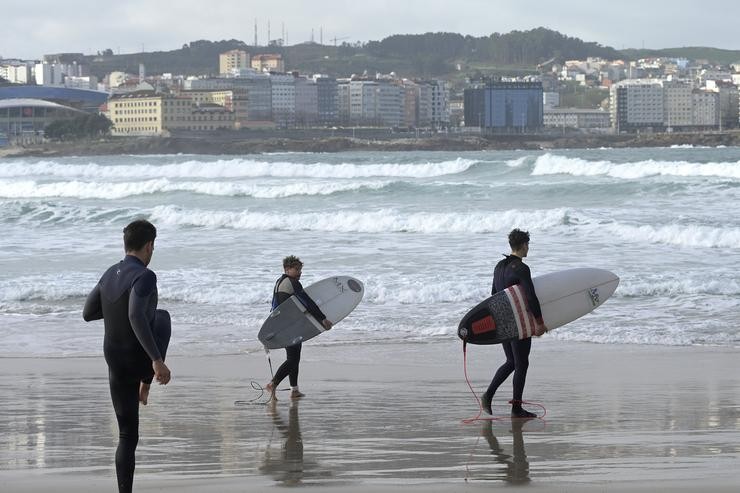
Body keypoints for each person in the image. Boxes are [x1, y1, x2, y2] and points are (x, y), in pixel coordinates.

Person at [83, 219, 172, 493]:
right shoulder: (145, 276)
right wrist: (157, 360)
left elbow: (88, 313)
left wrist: (114, 312)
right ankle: (147, 382)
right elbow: (135, 315)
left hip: (115, 361)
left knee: (126, 435)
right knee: (162, 318)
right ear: (149, 245)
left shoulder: (109, 273)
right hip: (139, 360)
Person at [481, 228, 546, 418]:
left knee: (512, 361)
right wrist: (539, 323)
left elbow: (494, 295)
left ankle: (488, 395)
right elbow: (531, 296)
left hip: (502, 321)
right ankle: (516, 408)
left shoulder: (498, 267)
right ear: (524, 245)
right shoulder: (521, 268)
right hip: (518, 322)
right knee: (521, 363)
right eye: (528, 245)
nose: (528, 249)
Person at [265, 255, 332, 401]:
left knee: (294, 358)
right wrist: (322, 318)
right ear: (287, 269)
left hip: (282, 325)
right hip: (290, 327)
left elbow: (275, 306)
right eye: (297, 269)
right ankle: (273, 383)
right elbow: (307, 302)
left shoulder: (279, 282)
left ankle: (294, 390)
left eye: (300, 269)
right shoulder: (292, 282)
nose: (300, 272)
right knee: (293, 359)